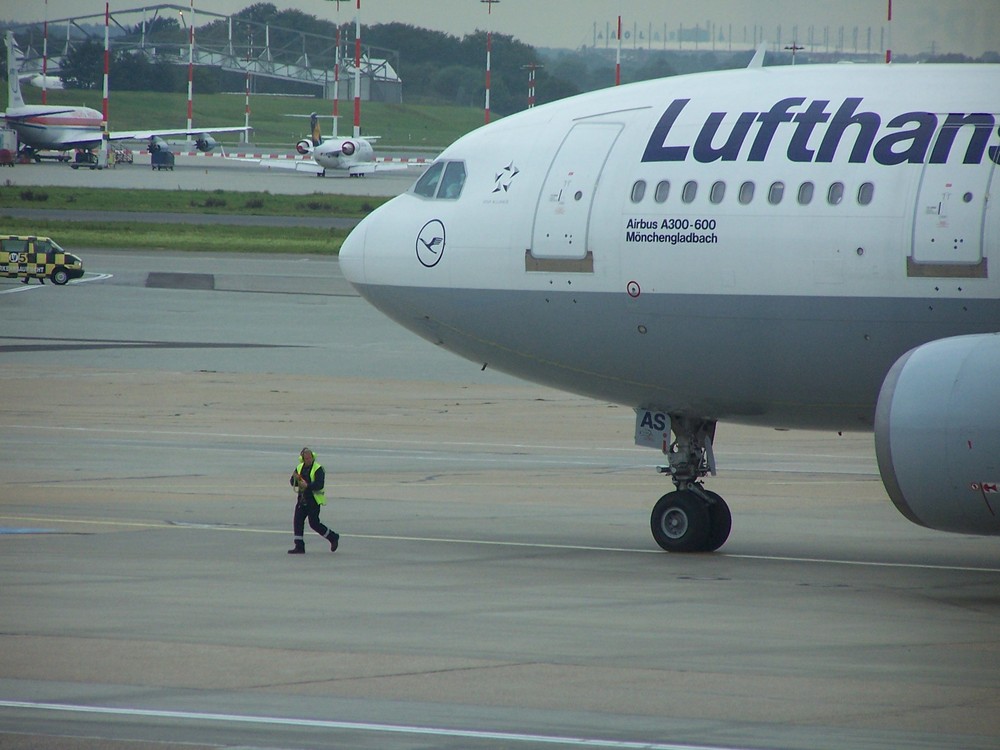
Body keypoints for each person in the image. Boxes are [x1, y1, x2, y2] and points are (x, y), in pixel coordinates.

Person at [288, 447, 339, 554]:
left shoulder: (318, 468)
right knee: (297, 521)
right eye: (306, 458)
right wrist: (297, 481)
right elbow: (292, 481)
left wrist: (307, 485)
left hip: (313, 500)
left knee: (314, 523)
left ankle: (333, 537)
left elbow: (319, 484)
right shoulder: (299, 467)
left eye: (310, 458)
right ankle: (299, 546)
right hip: (302, 500)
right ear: (302, 459)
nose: (308, 460)